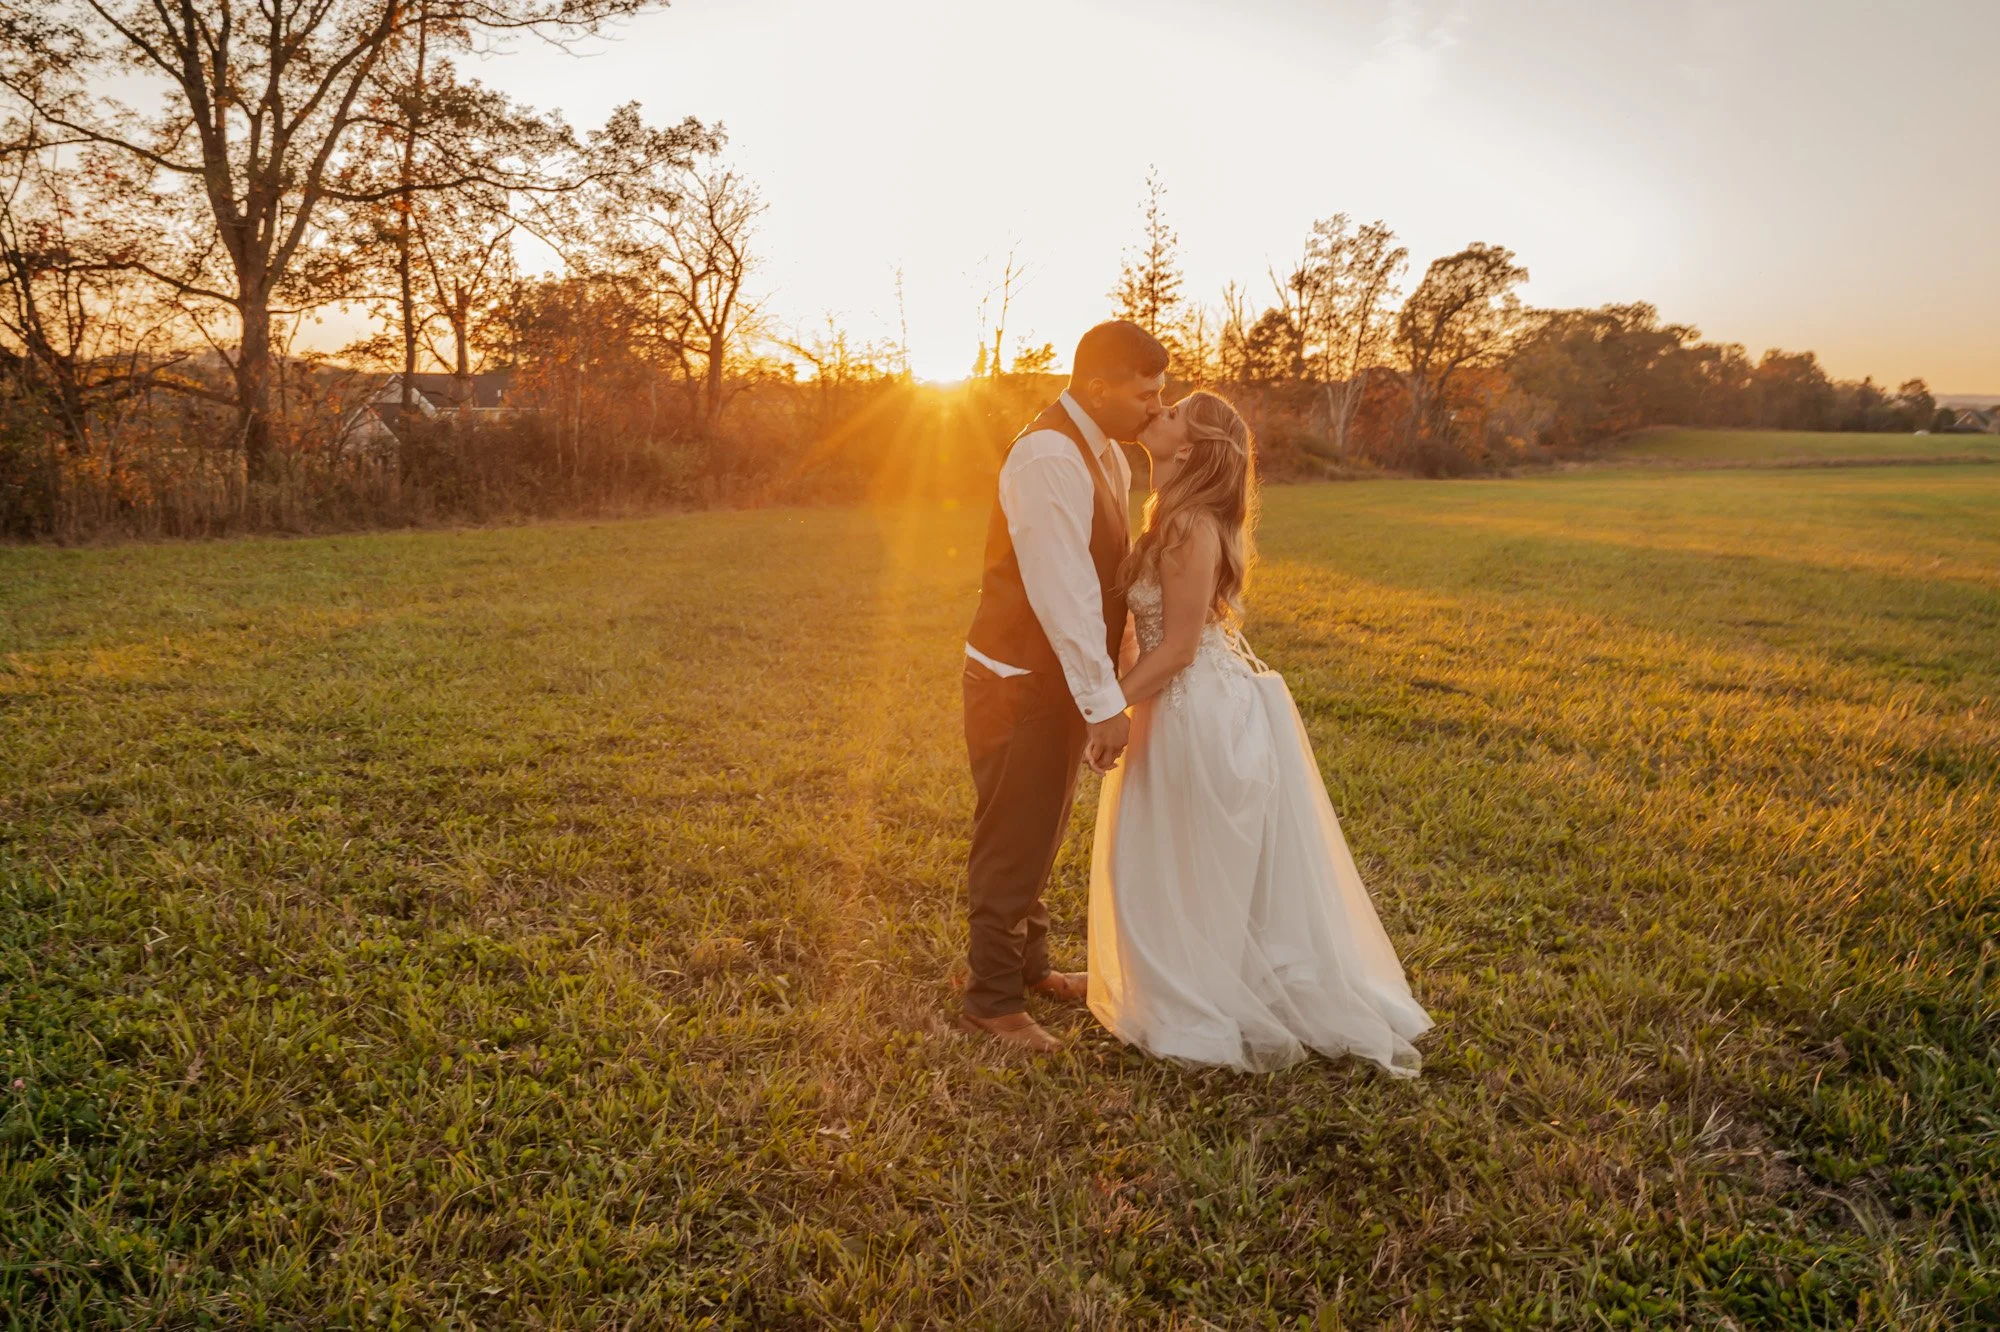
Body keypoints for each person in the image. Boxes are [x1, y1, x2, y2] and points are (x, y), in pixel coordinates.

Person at [1086, 390, 1432, 1074]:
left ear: (1188, 449)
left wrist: (1106, 707)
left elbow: (1180, 647)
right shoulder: (1173, 517)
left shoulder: (1189, 526)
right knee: (1165, 856)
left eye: (1175, 413)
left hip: (1193, 711)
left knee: (1181, 858)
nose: (1157, 413)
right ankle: (1177, 986)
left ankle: (1196, 999)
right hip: (1173, 704)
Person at [956, 320, 1165, 1052]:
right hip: (1020, 680)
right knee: (1013, 834)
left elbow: (1105, 581)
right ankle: (990, 1000)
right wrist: (1105, 701)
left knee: (1040, 824)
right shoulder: (1049, 455)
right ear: (1097, 386)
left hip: (1052, 679)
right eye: (1145, 394)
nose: (1156, 408)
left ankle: (1031, 970)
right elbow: (1064, 592)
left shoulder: (1107, 451)